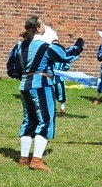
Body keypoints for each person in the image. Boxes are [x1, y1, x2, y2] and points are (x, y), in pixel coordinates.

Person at [7, 16, 84, 171]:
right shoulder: (45, 47)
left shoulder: (19, 46)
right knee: (46, 120)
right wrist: (79, 45)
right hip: (42, 85)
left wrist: (22, 75)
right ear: (37, 28)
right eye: (42, 24)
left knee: (29, 120)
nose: (44, 26)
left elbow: (11, 67)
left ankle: (23, 158)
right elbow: (66, 56)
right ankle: (36, 160)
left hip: (25, 85)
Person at [52, 39, 71, 116]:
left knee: (61, 91)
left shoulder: (63, 55)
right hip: (51, 76)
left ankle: (62, 108)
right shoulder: (49, 54)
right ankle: (52, 107)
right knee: (51, 91)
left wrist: (61, 70)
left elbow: (67, 65)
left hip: (59, 77)